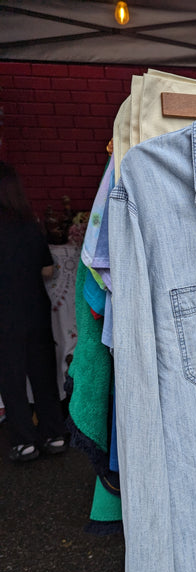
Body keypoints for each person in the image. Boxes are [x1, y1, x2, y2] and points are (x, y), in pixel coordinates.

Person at [0, 162, 67, 461]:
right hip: (35, 309)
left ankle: (25, 443)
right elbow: (48, 270)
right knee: (43, 375)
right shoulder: (29, 223)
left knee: (11, 379)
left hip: (4, 314)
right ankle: (55, 436)